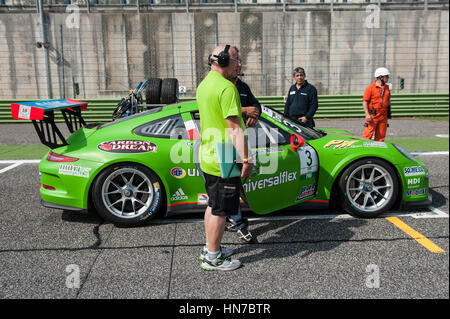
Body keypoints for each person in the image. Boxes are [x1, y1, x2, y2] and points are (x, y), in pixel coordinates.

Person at [196, 44, 254, 271]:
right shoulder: (227, 88)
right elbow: (235, 130)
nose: (240, 64)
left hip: (209, 154)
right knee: (221, 209)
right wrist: (247, 160)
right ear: (220, 60)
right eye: (236, 60)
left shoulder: (205, 84)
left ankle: (211, 247)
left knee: (213, 204)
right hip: (225, 157)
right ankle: (213, 257)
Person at [225, 51, 261, 243]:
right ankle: (239, 224)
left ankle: (230, 217)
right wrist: (245, 110)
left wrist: (254, 114)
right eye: (235, 63)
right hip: (224, 143)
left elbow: (257, 106)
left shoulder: (243, 86)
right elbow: (219, 110)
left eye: (240, 64)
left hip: (241, 140)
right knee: (231, 185)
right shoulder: (221, 86)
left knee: (235, 185)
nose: (238, 67)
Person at [362, 67, 392, 142]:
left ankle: (377, 151)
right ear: (380, 77)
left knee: (381, 137)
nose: (388, 78)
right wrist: (367, 114)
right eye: (386, 76)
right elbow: (365, 101)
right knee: (367, 136)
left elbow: (388, 100)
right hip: (373, 116)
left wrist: (389, 112)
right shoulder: (370, 88)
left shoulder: (387, 88)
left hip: (383, 116)